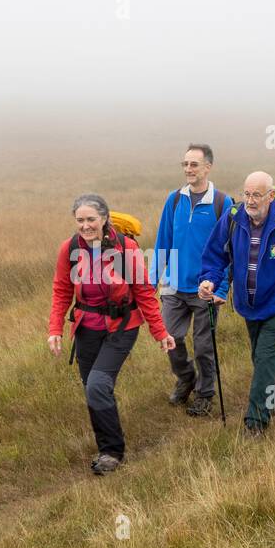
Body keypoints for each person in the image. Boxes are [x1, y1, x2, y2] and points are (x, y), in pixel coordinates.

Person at [48, 194, 175, 474]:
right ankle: (107, 443)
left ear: (104, 218)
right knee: (94, 389)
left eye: (91, 219)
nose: (85, 226)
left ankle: (111, 452)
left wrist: (160, 332)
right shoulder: (69, 248)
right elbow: (62, 290)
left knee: (96, 386)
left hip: (121, 327)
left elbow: (143, 292)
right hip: (86, 329)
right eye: (80, 220)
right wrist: (55, 329)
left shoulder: (124, 248)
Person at [198, 171, 275, 436]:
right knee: (261, 357)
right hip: (249, 304)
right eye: (247, 194)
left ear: (271, 196)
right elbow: (215, 254)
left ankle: (256, 422)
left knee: (264, 359)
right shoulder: (232, 218)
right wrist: (209, 280)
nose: (250, 201)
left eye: (257, 195)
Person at [154, 143, 233, 416]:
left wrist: (221, 287)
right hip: (173, 286)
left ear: (207, 168)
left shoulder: (223, 202)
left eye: (194, 165)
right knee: (170, 338)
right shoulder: (174, 199)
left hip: (205, 289)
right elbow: (162, 242)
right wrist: (152, 281)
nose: (188, 169)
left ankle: (205, 394)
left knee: (203, 346)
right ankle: (186, 377)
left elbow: (229, 250)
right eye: (185, 164)